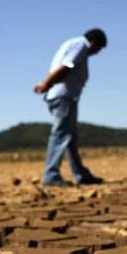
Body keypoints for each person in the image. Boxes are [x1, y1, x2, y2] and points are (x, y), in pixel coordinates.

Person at [33, 28, 107, 186]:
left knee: (70, 137)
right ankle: (51, 175)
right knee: (60, 134)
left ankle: (80, 174)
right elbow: (66, 66)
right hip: (64, 96)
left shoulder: (70, 44)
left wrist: (45, 83)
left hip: (61, 95)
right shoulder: (81, 45)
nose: (97, 52)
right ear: (94, 42)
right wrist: (46, 83)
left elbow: (56, 67)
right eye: (99, 48)